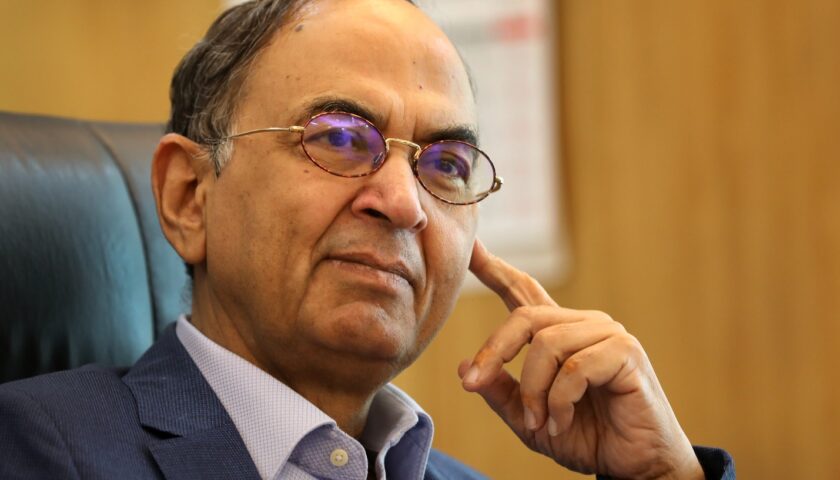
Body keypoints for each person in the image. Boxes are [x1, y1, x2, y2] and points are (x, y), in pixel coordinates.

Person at [0, 0, 734, 478]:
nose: (405, 204)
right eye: (341, 138)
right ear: (189, 197)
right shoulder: (36, 448)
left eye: (446, 164)